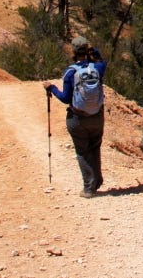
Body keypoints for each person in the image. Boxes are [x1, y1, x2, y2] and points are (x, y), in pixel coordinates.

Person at [44, 35, 107, 198]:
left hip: (78, 119)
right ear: (87, 50)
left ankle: (89, 188)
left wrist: (51, 88)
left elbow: (65, 98)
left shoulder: (71, 72)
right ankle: (97, 180)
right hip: (97, 117)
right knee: (95, 147)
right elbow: (103, 61)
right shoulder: (98, 68)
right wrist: (94, 51)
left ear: (72, 51)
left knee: (82, 151)